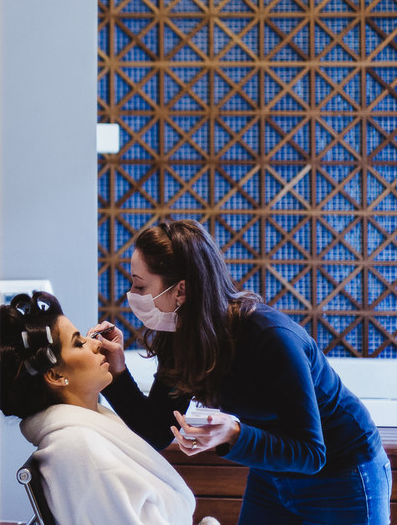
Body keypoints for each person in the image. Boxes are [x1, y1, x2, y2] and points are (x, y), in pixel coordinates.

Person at [93, 218, 391, 525]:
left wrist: (235, 433)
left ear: (181, 290)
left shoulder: (271, 338)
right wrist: (116, 372)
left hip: (343, 473)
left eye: (140, 285)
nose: (132, 294)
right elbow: (156, 430)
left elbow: (311, 453)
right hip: (272, 472)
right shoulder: (182, 337)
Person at [0, 290, 215, 525]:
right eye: (79, 343)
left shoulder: (85, 436)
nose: (96, 343)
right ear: (55, 375)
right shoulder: (82, 450)